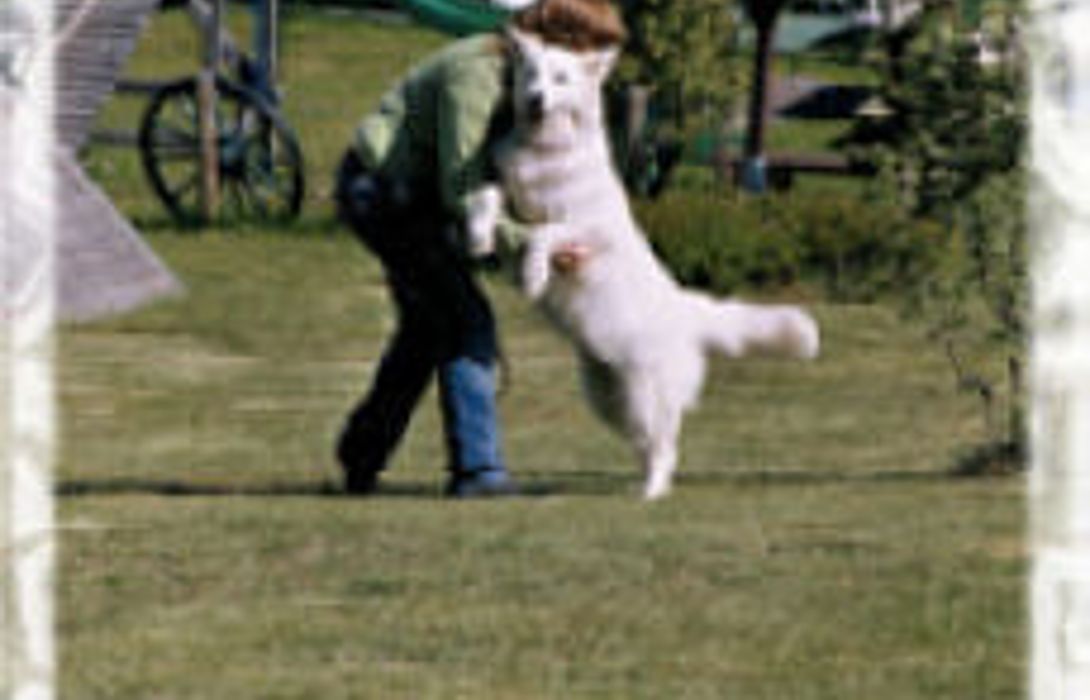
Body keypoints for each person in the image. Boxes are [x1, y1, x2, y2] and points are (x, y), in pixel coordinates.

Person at [334, 0, 626, 497]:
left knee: (427, 329)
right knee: (465, 320)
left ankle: (361, 454)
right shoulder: (476, 74)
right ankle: (478, 473)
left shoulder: (524, 80)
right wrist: (529, 243)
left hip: (415, 195)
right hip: (384, 192)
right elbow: (461, 186)